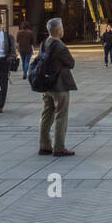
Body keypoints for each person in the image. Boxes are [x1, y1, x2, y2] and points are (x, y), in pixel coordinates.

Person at [38, 17, 77, 157]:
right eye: (62, 27)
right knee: (61, 116)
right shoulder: (60, 46)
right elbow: (71, 63)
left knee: (46, 115)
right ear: (59, 30)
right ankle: (59, 147)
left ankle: (44, 146)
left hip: (47, 85)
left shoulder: (44, 43)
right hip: (60, 86)